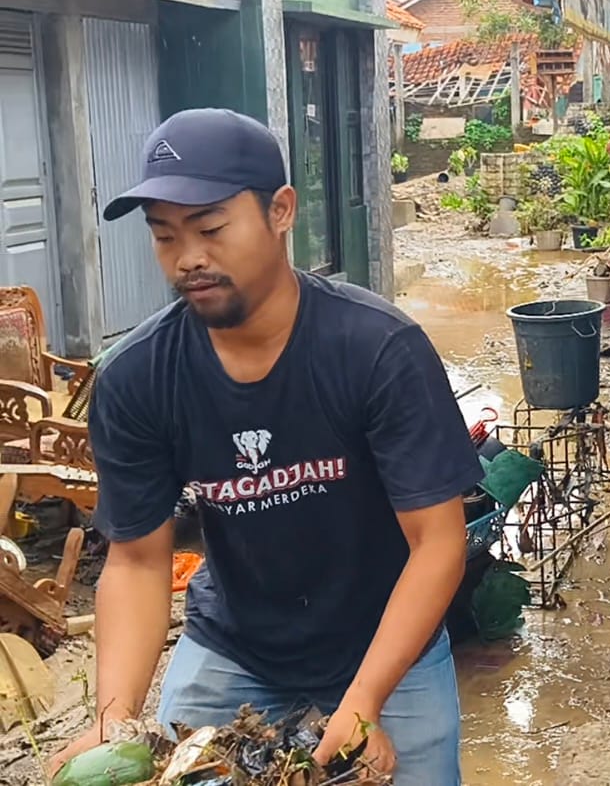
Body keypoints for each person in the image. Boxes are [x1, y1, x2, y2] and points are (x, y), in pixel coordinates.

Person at [48, 109, 480, 785]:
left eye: (211, 228)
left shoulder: (375, 350)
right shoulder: (137, 377)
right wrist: (115, 715)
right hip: (234, 646)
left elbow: (438, 542)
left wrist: (364, 700)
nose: (187, 256)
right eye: (164, 235)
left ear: (280, 210)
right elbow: (136, 560)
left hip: (388, 640)